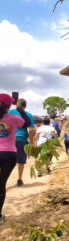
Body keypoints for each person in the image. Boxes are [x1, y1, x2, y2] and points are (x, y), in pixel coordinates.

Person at [0, 93, 25, 221]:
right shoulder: (14, 118)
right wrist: (21, 110)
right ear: (9, 106)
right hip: (9, 153)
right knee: (1, 184)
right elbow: (24, 123)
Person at [9, 98, 35, 186]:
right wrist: (31, 144)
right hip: (22, 140)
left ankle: (3, 179)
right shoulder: (29, 115)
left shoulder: (10, 112)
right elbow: (31, 130)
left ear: (17, 104)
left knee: (6, 161)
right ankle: (19, 179)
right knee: (20, 161)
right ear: (25, 106)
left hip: (9, 140)